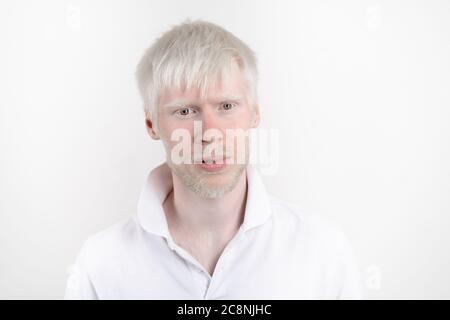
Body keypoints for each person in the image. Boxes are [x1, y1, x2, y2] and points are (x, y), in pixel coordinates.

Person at [64, 18, 363, 299]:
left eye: (227, 106)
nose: (210, 133)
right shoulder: (100, 264)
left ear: (255, 113)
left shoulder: (324, 253)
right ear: (151, 124)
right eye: (185, 111)